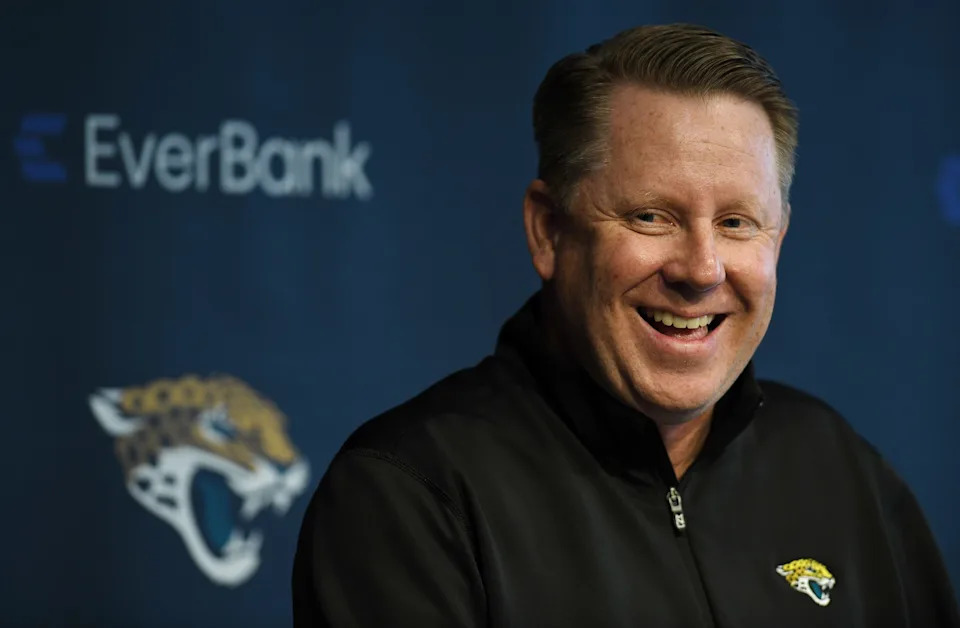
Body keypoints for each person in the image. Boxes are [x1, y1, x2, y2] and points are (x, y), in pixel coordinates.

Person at [292, 23, 960, 627]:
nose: (702, 269)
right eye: (651, 217)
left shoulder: (843, 473)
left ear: (778, 239)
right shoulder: (411, 495)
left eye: (736, 223)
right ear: (549, 231)